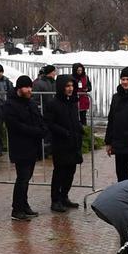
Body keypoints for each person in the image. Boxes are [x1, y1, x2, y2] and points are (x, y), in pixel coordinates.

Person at [1, 75, 48, 221]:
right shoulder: (10, 105)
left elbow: (39, 119)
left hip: (32, 146)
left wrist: (42, 130)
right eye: (26, 87)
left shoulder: (31, 103)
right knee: (22, 178)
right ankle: (17, 209)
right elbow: (15, 126)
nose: (29, 90)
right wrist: (35, 131)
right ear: (19, 88)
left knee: (26, 178)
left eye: (30, 87)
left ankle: (24, 204)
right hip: (20, 146)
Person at [44, 74, 83, 212]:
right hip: (60, 143)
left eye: (72, 86)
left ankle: (64, 196)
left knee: (70, 171)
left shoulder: (72, 102)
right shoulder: (53, 104)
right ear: (61, 87)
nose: (70, 89)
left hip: (73, 142)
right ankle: (55, 200)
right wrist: (64, 132)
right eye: (67, 86)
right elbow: (49, 123)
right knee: (60, 172)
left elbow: (75, 120)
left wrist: (79, 129)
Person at [72, 63, 92, 127]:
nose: (80, 72)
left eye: (81, 70)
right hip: (75, 98)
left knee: (83, 116)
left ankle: (84, 129)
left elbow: (89, 87)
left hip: (83, 98)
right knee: (74, 116)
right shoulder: (72, 77)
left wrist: (87, 89)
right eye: (78, 70)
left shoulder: (85, 77)